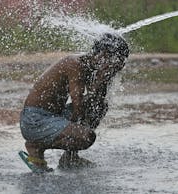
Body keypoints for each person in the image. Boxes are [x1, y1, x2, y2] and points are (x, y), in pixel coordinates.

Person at [19, 33, 129, 172]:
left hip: (54, 116)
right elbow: (78, 109)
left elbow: (96, 102)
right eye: (117, 59)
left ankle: (69, 158)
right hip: (34, 120)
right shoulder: (75, 64)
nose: (119, 64)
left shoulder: (93, 66)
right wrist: (76, 131)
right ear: (104, 54)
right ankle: (35, 145)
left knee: (100, 106)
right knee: (86, 137)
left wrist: (103, 79)